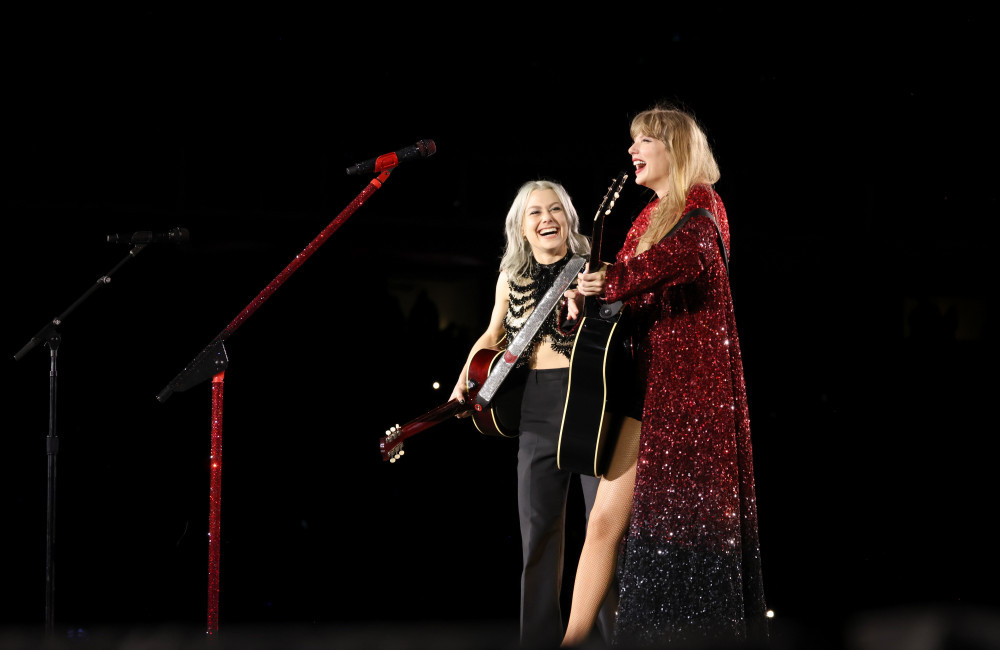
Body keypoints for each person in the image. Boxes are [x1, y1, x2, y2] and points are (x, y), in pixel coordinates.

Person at [560, 104, 768, 647]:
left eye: (643, 140)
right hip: (644, 390)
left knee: (684, 541)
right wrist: (585, 301)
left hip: (688, 404)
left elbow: (691, 256)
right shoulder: (645, 217)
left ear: (674, 147)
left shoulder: (704, 204)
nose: (631, 150)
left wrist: (608, 282)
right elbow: (620, 288)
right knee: (604, 522)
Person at [450, 179, 616, 648]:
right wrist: (467, 374)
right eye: (535, 213)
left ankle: (615, 639)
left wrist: (598, 298)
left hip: (590, 400)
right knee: (538, 534)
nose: (547, 219)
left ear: (570, 218)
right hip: (536, 405)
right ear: (521, 228)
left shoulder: (593, 268)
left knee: (603, 535)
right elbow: (493, 333)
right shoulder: (511, 277)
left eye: (556, 210)